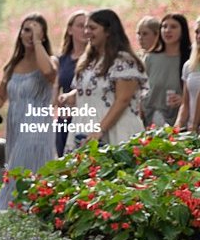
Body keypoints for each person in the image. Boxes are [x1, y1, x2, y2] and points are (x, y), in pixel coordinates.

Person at [0, 15, 58, 212]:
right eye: (26, 29)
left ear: (43, 36)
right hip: (15, 127)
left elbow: (48, 73)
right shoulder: (12, 66)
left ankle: (3, 212)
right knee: (18, 170)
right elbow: (0, 97)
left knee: (20, 172)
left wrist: (36, 42)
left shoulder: (49, 61)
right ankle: (27, 214)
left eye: (35, 30)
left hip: (36, 125)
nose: (29, 34)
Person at [63, 9, 146, 150]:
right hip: (85, 129)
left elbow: (123, 100)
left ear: (108, 31)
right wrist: (69, 97)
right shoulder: (88, 61)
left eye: (92, 28)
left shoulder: (124, 61)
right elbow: (95, 92)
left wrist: (100, 130)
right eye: (85, 27)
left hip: (115, 130)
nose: (87, 32)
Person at [143, 13, 190, 126]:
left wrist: (183, 100)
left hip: (180, 121)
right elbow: (140, 88)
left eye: (173, 27)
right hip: (149, 119)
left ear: (183, 30)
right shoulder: (150, 58)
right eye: (164, 26)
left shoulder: (190, 59)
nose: (167, 30)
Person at [54, 10, 87, 156]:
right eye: (80, 26)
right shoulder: (61, 61)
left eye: (88, 26)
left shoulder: (96, 60)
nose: (85, 30)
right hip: (65, 120)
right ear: (70, 29)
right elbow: (54, 98)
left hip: (88, 118)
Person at [175, 16, 200, 132]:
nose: (199, 36)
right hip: (193, 131)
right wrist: (176, 128)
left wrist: (195, 125)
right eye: (197, 32)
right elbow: (185, 103)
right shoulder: (189, 66)